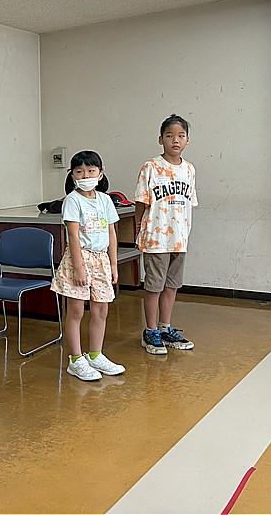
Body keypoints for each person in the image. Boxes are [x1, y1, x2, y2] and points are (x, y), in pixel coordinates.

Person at [51, 150, 126, 381]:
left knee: (101, 309)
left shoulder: (105, 200)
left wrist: (113, 265)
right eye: (80, 171)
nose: (85, 175)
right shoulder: (73, 200)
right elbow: (73, 236)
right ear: (72, 175)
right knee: (75, 310)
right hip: (79, 258)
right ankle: (75, 360)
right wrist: (79, 267)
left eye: (91, 171)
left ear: (100, 174)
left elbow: (112, 233)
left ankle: (95, 355)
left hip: (101, 259)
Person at [134, 114, 198, 356]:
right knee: (154, 286)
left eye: (181, 136)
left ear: (187, 140)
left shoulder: (189, 169)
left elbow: (189, 203)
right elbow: (141, 201)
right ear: (160, 139)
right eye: (170, 135)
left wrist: (184, 233)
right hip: (156, 238)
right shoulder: (151, 167)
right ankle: (150, 331)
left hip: (179, 240)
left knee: (172, 285)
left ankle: (165, 327)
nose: (175, 140)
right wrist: (139, 228)